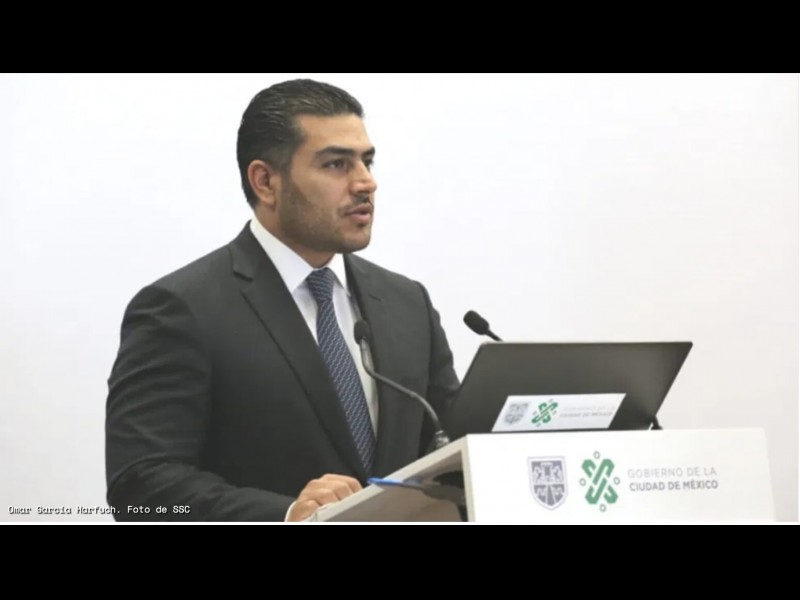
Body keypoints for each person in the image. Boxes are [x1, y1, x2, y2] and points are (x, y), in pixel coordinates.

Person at [105, 79, 460, 522]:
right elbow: (139, 486)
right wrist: (287, 514)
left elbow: (452, 446)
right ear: (266, 181)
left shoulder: (407, 303)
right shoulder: (181, 310)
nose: (366, 183)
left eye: (366, 161)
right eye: (336, 164)